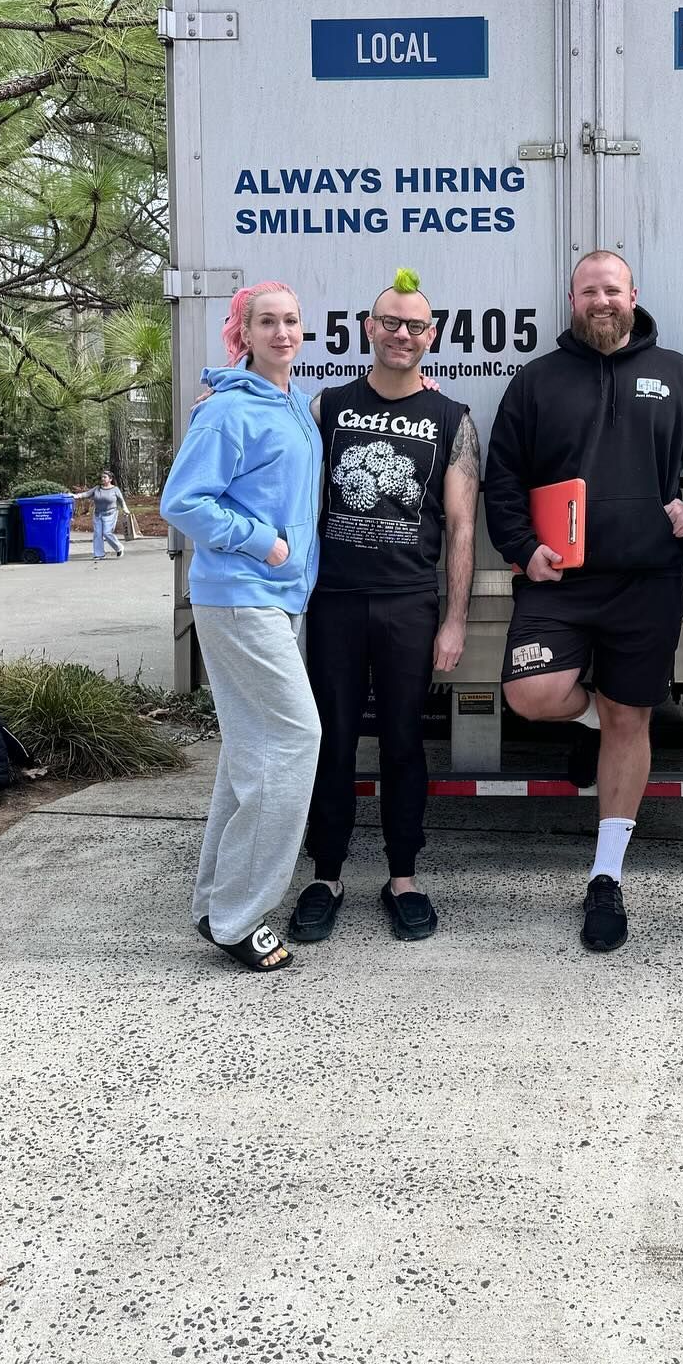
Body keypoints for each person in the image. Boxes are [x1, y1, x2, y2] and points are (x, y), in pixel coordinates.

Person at [484, 250, 683, 953]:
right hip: (556, 583)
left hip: (647, 583)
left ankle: (606, 877)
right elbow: (501, 477)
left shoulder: (678, 374)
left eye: (613, 289)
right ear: (572, 299)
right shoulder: (537, 382)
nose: (602, 300)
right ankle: (604, 720)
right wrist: (520, 547)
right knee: (532, 694)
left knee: (633, 717)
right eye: (589, 290)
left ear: (634, 294)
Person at [288, 267, 478, 945]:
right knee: (331, 741)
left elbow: (461, 527)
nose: (403, 334)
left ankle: (404, 877)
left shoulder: (453, 419)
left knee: (403, 742)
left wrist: (453, 619)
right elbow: (294, 502)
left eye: (416, 325)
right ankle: (326, 874)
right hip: (335, 599)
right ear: (369, 329)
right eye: (390, 322)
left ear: (433, 335)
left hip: (407, 604)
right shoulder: (324, 407)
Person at [160, 281, 323, 974]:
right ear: (243, 333)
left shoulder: (288, 402)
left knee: (249, 751)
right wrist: (265, 542)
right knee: (293, 739)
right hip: (240, 592)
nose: (282, 332)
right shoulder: (228, 409)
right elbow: (181, 502)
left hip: (276, 598)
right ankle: (238, 918)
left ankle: (213, 904)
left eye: (291, 320)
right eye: (267, 322)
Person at [72, 470, 126, 563]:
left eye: (105, 477)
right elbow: (87, 494)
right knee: (97, 534)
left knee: (107, 532)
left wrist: (125, 509)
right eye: (102, 477)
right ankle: (99, 554)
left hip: (110, 513)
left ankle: (119, 547)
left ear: (110, 479)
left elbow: (121, 500)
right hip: (98, 514)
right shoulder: (97, 488)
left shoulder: (115, 489)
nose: (103, 479)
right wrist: (76, 496)